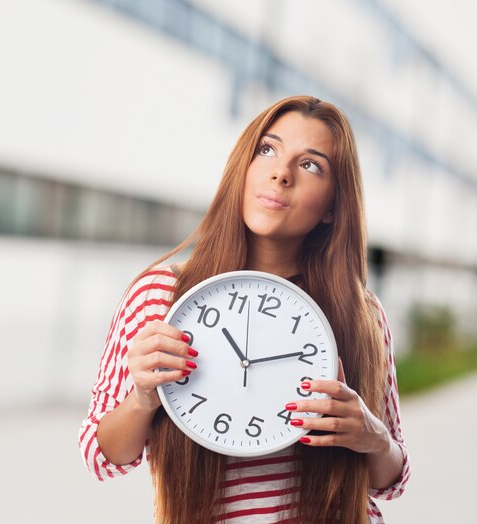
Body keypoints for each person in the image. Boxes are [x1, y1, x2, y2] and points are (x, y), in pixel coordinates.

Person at [79, 95, 410, 523]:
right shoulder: (161, 294)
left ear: (332, 206)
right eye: (267, 150)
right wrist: (143, 397)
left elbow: (392, 480)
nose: (281, 173)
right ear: (243, 166)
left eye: (310, 165)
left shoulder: (360, 311)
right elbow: (100, 456)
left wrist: (373, 438)